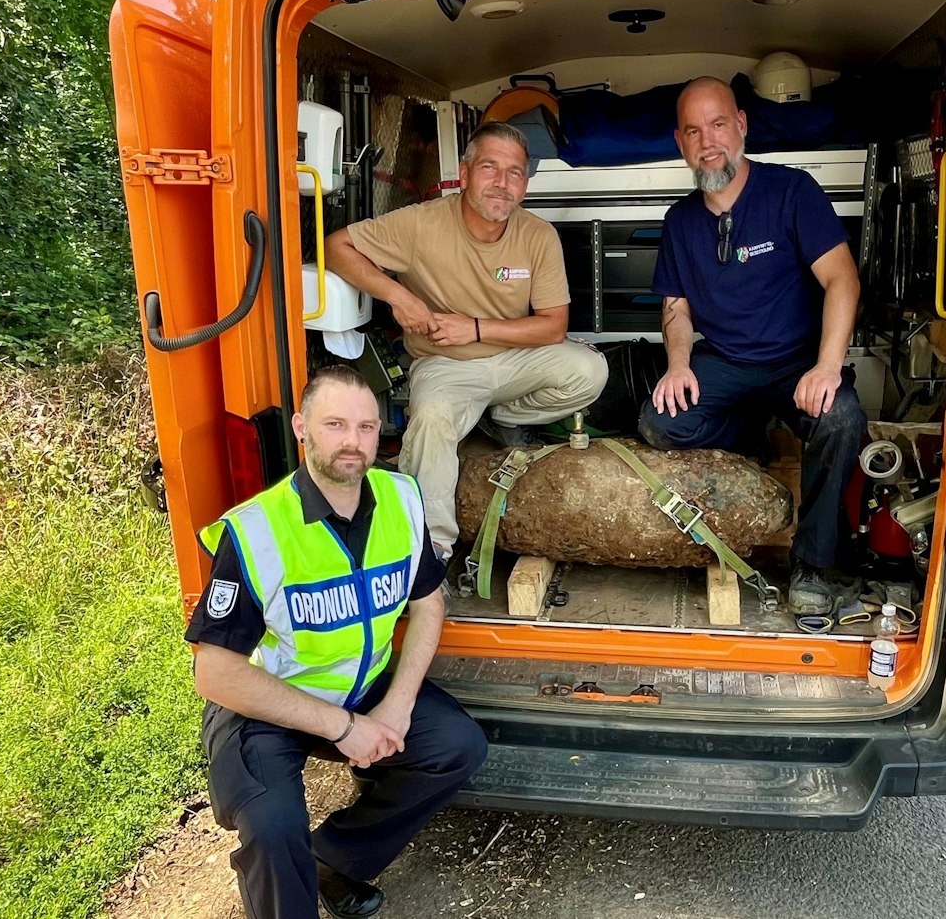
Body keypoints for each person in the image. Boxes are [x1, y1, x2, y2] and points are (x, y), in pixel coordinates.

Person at [186, 365, 487, 919]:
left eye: (367, 427)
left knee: (456, 748)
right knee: (274, 829)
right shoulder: (257, 531)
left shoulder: (400, 498)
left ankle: (334, 859)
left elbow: (428, 603)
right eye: (336, 425)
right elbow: (217, 673)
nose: (353, 442)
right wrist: (344, 730)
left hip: (361, 691)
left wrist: (395, 709)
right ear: (301, 428)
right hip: (268, 707)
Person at [639, 76, 868, 616]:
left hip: (798, 365)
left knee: (841, 421)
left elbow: (843, 280)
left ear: (741, 125)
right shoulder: (680, 220)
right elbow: (676, 307)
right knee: (659, 422)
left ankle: (812, 565)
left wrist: (828, 367)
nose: (708, 140)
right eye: (694, 131)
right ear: (681, 143)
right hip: (726, 364)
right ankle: (753, 435)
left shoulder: (792, 192)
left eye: (719, 124)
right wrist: (677, 365)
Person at [327, 121, 607, 560]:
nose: (502, 182)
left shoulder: (538, 235)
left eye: (515, 172)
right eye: (490, 167)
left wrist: (474, 327)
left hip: (516, 360)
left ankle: (499, 416)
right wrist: (397, 295)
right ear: (464, 171)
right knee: (434, 416)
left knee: (590, 370)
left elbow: (553, 326)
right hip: (445, 365)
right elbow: (337, 246)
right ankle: (432, 546)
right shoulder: (421, 224)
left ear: (526, 185)